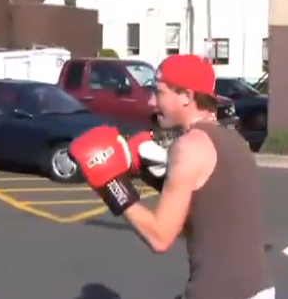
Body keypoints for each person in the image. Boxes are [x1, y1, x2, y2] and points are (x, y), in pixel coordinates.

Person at [69, 54, 274, 299]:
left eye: (159, 92)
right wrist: (156, 178)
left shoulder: (188, 146)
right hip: (259, 289)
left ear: (187, 96)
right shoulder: (236, 141)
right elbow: (211, 218)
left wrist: (111, 184)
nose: (151, 102)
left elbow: (159, 237)